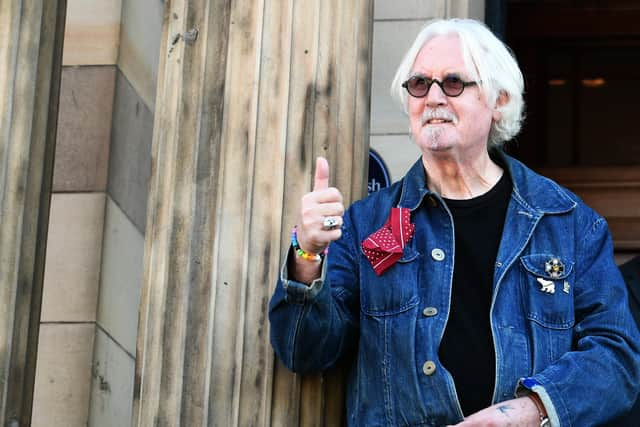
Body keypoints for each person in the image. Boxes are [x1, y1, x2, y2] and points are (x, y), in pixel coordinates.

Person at [269, 18, 640, 426]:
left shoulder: (568, 223)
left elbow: (617, 357)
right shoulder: (366, 223)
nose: (432, 97)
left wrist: (533, 409)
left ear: (499, 100)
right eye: (419, 84)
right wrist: (307, 254)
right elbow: (305, 352)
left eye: (453, 83)